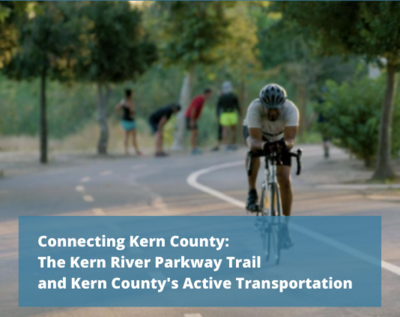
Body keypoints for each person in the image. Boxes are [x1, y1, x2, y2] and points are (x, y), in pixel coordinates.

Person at [243, 83, 299, 248]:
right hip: (259, 137)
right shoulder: (254, 108)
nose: (273, 112)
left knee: (285, 179)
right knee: (253, 152)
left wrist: (283, 146)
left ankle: (284, 229)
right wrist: (263, 146)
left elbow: (290, 140)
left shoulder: (291, 110)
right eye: (269, 109)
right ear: (263, 105)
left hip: (281, 138)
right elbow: (254, 140)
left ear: (282, 106)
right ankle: (252, 191)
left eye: (276, 109)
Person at [185, 88, 213, 155]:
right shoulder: (199, 99)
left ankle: (195, 147)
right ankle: (193, 148)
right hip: (190, 117)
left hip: (193, 118)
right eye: (210, 94)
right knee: (193, 132)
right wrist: (192, 120)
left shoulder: (202, 100)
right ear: (207, 94)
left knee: (195, 132)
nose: (210, 96)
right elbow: (193, 108)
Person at [115, 89, 142, 156]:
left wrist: (121, 112)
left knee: (126, 135)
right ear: (131, 94)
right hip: (130, 120)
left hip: (125, 119)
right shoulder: (130, 101)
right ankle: (136, 150)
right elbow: (132, 111)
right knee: (133, 136)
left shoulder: (123, 101)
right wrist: (130, 108)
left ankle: (126, 150)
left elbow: (117, 108)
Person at [216, 81, 240, 150]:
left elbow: (218, 107)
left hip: (224, 114)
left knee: (224, 130)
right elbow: (237, 106)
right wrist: (240, 112)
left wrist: (217, 115)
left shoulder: (221, 96)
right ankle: (233, 144)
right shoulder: (233, 96)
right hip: (232, 114)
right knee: (233, 130)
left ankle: (226, 145)